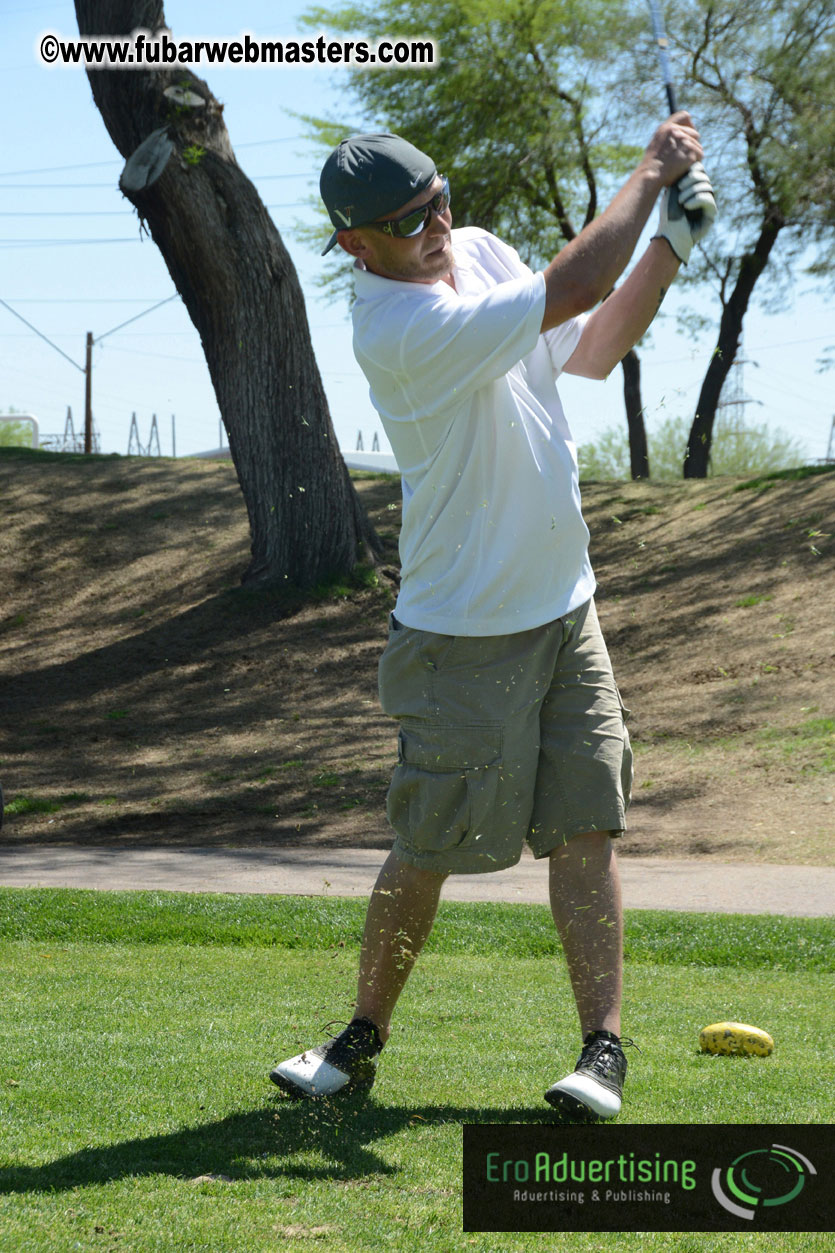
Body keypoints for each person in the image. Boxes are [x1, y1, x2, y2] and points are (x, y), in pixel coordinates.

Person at [271, 121, 715, 1120]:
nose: (435, 225)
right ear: (358, 244)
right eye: (406, 219)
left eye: (438, 199)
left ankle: (601, 1050)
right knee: (428, 842)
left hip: (566, 607)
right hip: (462, 631)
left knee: (587, 825)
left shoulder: (473, 249)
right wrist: (651, 174)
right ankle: (358, 1038)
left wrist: (670, 244)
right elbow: (571, 290)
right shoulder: (391, 326)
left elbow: (591, 347)